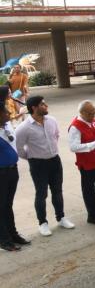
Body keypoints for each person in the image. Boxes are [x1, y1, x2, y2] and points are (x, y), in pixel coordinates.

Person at [15, 96, 75, 235]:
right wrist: (32, 158)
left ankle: (61, 217)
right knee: (41, 194)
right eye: (42, 104)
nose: (46, 105)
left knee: (58, 191)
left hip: (55, 160)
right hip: (38, 164)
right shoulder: (24, 128)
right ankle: (42, 223)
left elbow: (56, 136)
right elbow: (19, 149)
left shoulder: (52, 120)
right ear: (34, 108)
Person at [0, 103, 28, 251]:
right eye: (5, 112)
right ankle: (4, 240)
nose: (8, 114)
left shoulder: (6, 127)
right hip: (1, 173)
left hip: (12, 171)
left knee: (8, 205)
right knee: (1, 206)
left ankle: (13, 234)